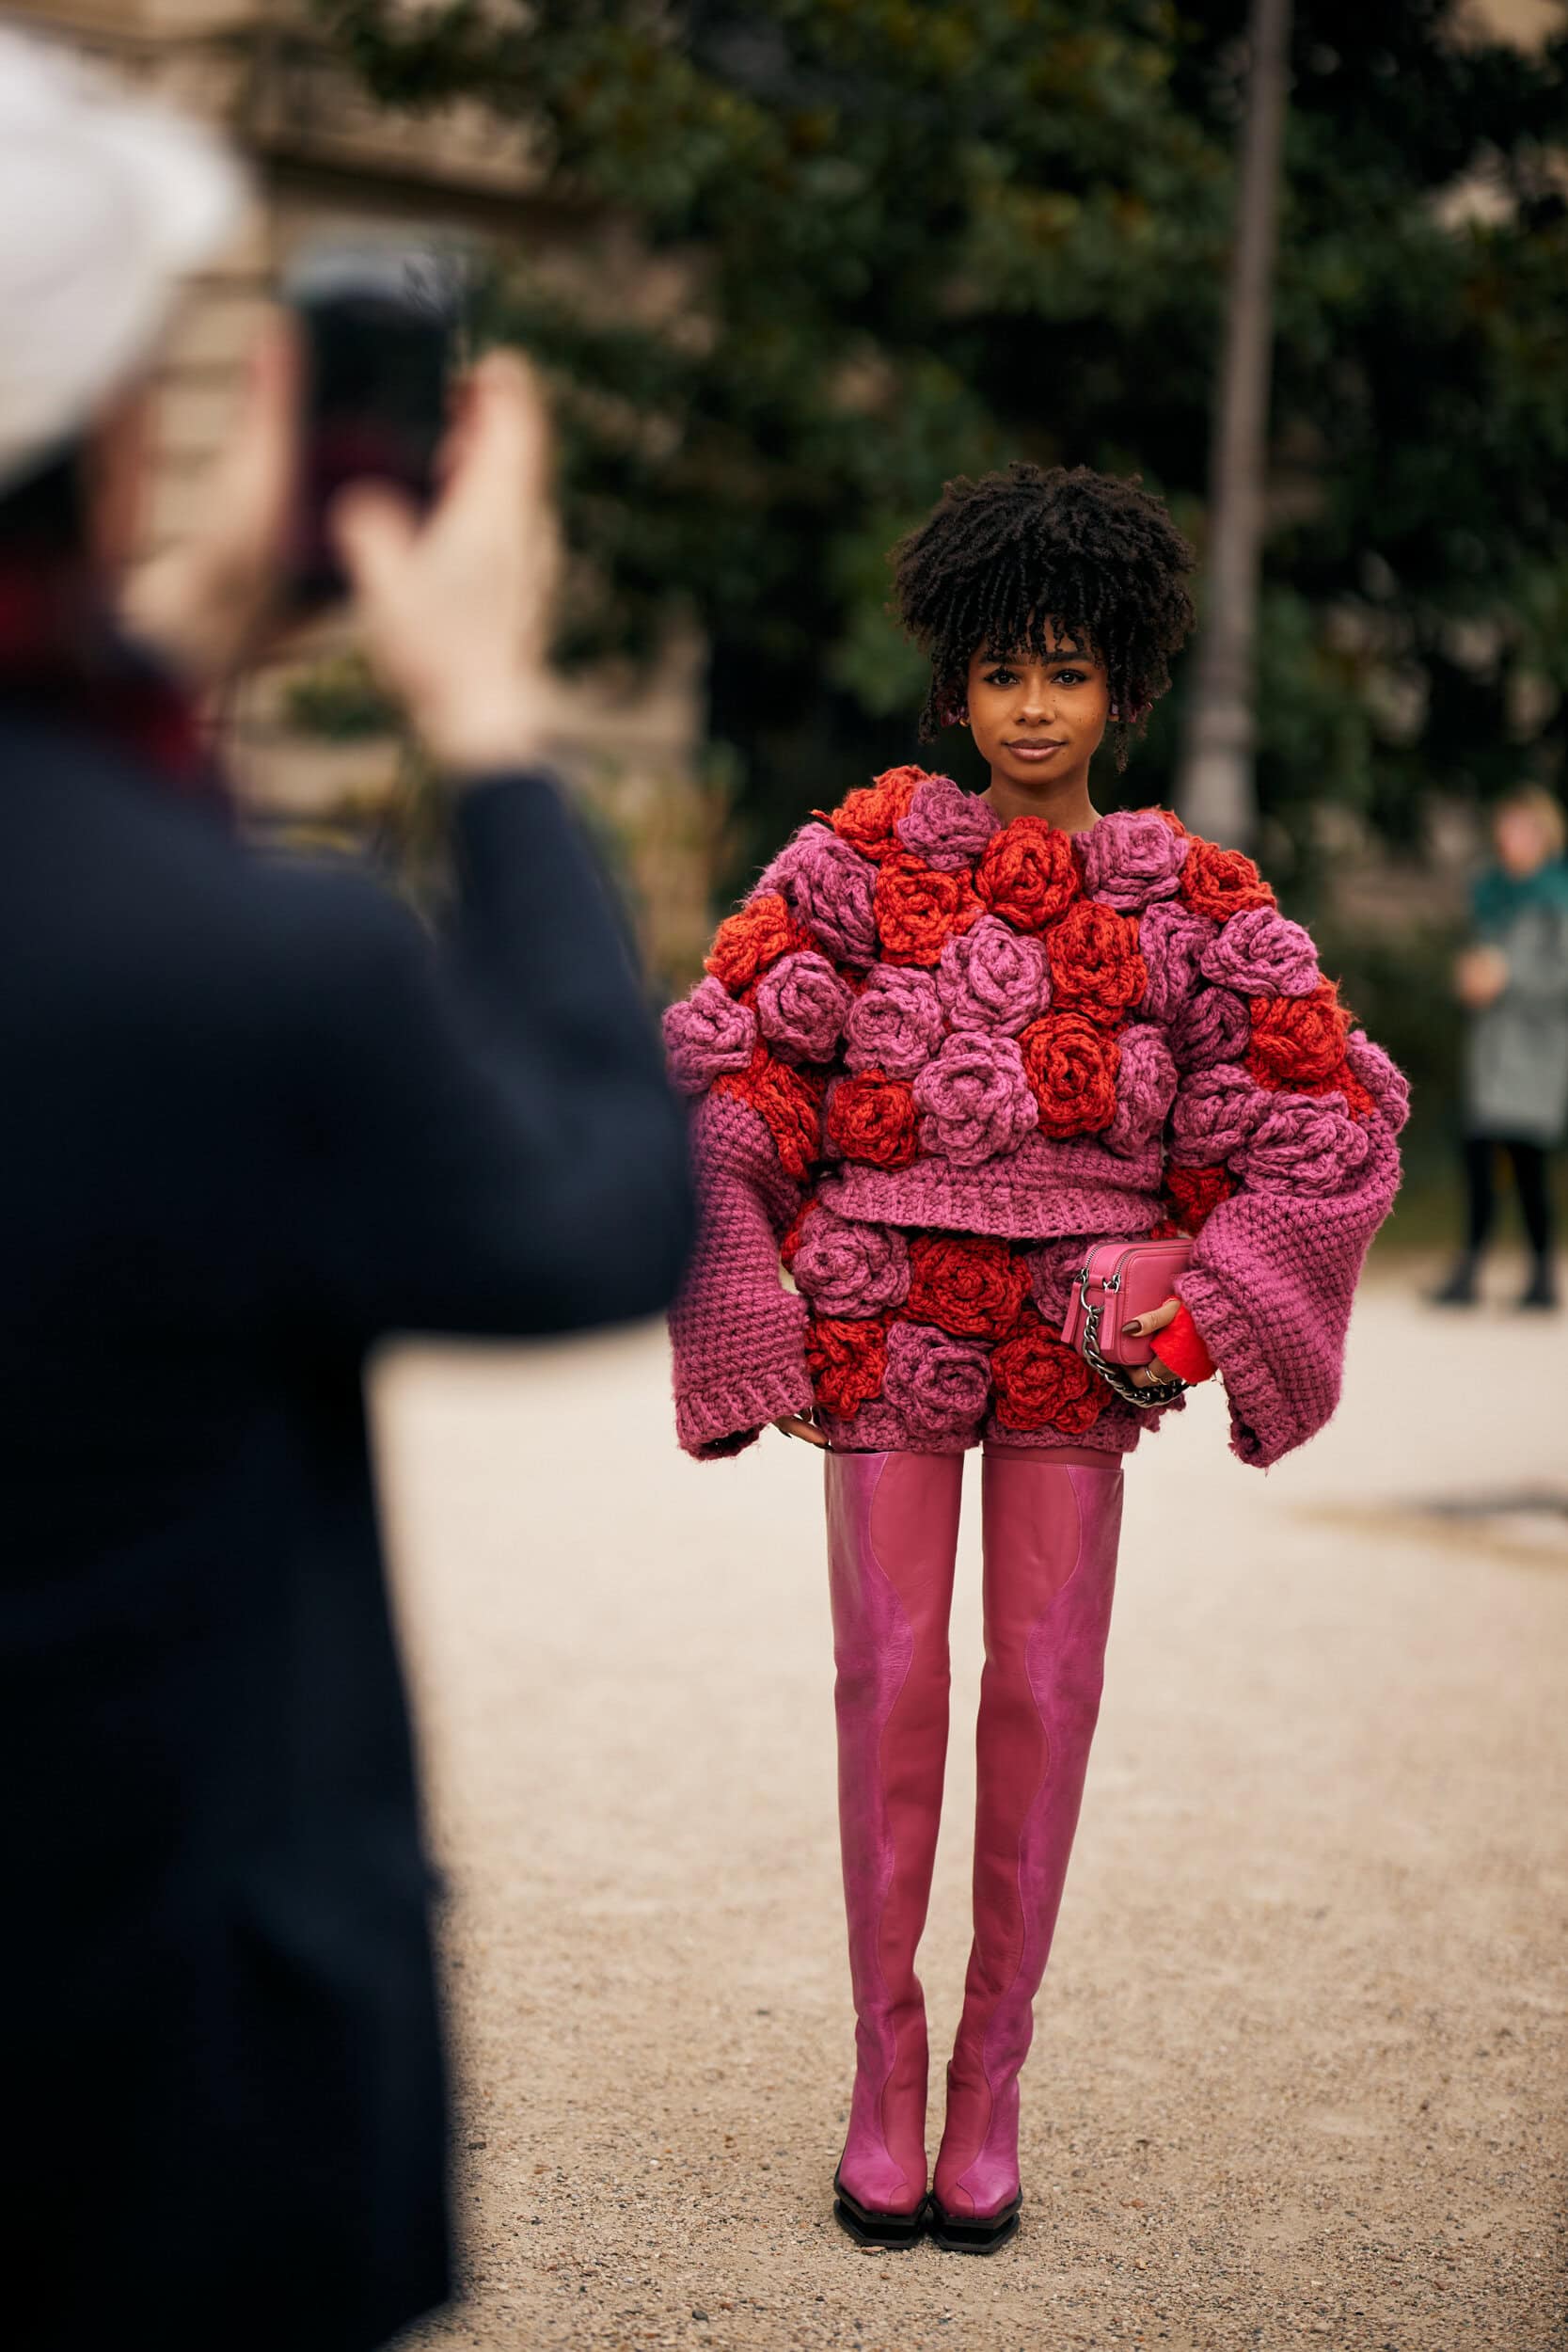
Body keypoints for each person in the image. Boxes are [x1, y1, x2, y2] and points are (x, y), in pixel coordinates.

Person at [0, 37, 690, 2352]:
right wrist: (489, 729)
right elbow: (598, 1204)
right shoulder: (256, 965)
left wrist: (162, 642)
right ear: (110, 445)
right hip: (144, 2097)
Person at [664, 462, 1406, 2253]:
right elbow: (723, 1069)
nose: (1031, 703)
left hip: (1082, 1342)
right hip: (884, 1316)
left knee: (1044, 1691)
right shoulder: (847, 865)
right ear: (954, 682)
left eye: (1066, 670)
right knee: (893, 1678)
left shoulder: (1195, 903)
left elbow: (1329, 1114)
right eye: (1001, 670)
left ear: (1124, 688)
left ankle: (990, 2085)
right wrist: (750, 1295)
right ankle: (881, 2075)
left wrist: (1209, 1284)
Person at [1432, 786, 1568, 1312]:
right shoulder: (1492, 895)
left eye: (1521, 829)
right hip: (1493, 1050)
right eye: (1506, 828)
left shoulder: (1557, 898)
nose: (1510, 839)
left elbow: (1560, 977)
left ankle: (1541, 1277)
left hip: (1537, 1051)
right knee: (1480, 1154)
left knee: (1528, 1162)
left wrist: (1507, 977)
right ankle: (1469, 1270)